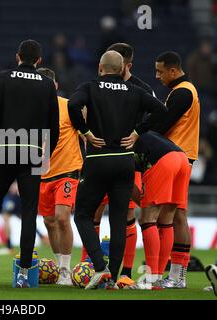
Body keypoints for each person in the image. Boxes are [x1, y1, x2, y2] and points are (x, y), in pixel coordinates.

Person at [68, 50, 167, 290]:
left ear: (100, 67)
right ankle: (113, 277)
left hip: (99, 159)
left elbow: (73, 104)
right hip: (125, 161)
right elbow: (161, 110)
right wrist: (137, 132)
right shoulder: (134, 90)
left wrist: (85, 132)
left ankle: (100, 268)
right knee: (119, 219)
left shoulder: (90, 86)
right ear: (122, 68)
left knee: (82, 214)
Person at [0, 39, 59, 288]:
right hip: (33, 152)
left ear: (17, 57)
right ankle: (23, 274)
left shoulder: (3, 77)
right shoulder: (47, 84)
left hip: (5, 148)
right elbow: (53, 127)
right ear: (39, 61)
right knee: (29, 212)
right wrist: (44, 154)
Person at [152, 51, 200, 289]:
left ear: (173, 70)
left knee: (171, 216)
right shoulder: (186, 90)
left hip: (176, 156)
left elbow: (162, 124)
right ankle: (176, 274)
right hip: (183, 156)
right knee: (177, 216)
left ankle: (175, 275)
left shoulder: (181, 93)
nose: (157, 76)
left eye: (160, 71)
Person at [36, 67, 83, 286]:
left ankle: (65, 270)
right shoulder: (30, 109)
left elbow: (86, 135)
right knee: (49, 221)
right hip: (42, 173)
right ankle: (59, 266)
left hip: (68, 170)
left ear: (55, 86)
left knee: (62, 217)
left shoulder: (69, 106)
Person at [127, 131, 190, 290]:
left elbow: (129, 184)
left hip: (163, 161)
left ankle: (150, 279)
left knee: (147, 219)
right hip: (183, 159)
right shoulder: (143, 132)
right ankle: (159, 278)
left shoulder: (122, 144)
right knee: (166, 220)